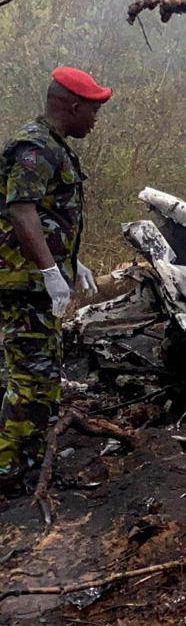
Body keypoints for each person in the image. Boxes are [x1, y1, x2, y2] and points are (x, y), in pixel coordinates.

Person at [0, 67, 108, 496]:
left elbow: (49, 216)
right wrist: (48, 270)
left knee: (34, 380)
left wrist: (71, 261)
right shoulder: (34, 147)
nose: (96, 120)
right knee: (33, 384)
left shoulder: (54, 147)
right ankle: (9, 476)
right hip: (24, 284)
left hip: (34, 282)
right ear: (73, 106)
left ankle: (27, 469)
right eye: (94, 110)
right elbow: (21, 209)